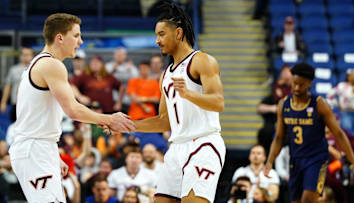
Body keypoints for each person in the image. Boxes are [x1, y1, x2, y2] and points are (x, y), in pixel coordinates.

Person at [8, 13, 135, 203]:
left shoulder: (42, 63)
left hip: (40, 148)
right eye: (76, 36)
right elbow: (73, 110)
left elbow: (38, 116)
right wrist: (109, 119)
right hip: (34, 149)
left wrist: (53, 155)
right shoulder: (51, 65)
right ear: (60, 37)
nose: (81, 41)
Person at [131, 1, 226, 202]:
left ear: (179, 33)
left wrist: (189, 94)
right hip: (176, 148)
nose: (157, 40)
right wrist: (128, 125)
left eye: (161, 34)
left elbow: (218, 102)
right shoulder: (165, 75)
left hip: (204, 144)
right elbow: (164, 121)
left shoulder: (202, 61)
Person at [264, 62, 354, 203]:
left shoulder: (319, 104)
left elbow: (339, 134)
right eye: (294, 83)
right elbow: (278, 138)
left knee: (308, 200)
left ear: (309, 83)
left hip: (316, 160)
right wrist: (269, 161)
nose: (296, 88)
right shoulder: (283, 104)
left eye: (301, 84)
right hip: (296, 159)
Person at [0, 47, 34, 118]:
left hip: (32, 103)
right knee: (15, 125)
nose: (26, 57)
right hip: (16, 103)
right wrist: (3, 102)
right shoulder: (13, 70)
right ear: (21, 56)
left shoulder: (37, 69)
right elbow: (8, 86)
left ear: (32, 56)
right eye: (24, 55)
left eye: (28, 54)